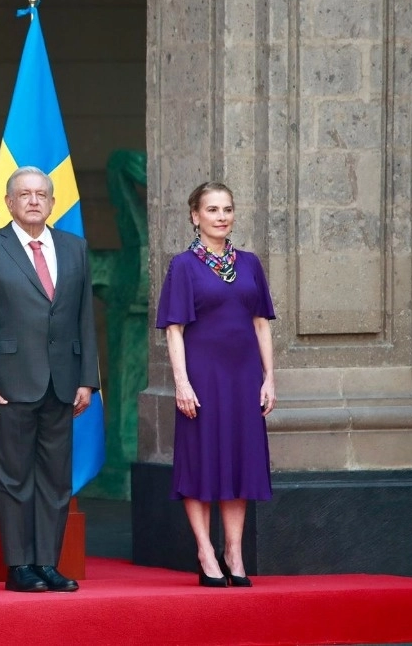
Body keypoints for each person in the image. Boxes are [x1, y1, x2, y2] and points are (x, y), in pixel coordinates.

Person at [0, 165, 99, 593]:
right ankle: (20, 565)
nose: (34, 200)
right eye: (25, 194)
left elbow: (84, 319)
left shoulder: (74, 248)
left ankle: (48, 563)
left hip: (63, 382)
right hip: (8, 383)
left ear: (53, 202)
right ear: (9, 203)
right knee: (15, 477)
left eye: (42, 194)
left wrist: (87, 379)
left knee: (57, 480)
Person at [155, 181, 276, 588]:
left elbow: (261, 324)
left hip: (244, 378)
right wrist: (182, 384)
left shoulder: (250, 263)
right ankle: (205, 550)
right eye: (212, 209)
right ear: (195, 216)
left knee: (240, 460)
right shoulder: (183, 266)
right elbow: (174, 330)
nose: (221, 216)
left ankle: (234, 552)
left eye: (227, 209)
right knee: (200, 460)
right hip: (202, 378)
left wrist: (269, 378)